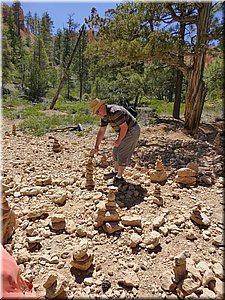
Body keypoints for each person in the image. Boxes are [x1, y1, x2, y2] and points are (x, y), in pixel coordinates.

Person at [90, 98, 140, 186]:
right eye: (96, 113)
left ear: (102, 107)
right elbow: (101, 131)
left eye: (97, 112)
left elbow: (124, 127)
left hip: (132, 130)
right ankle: (116, 171)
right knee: (115, 151)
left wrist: (119, 140)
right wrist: (96, 146)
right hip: (124, 131)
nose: (97, 115)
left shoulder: (115, 112)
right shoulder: (105, 116)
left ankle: (119, 178)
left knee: (122, 153)